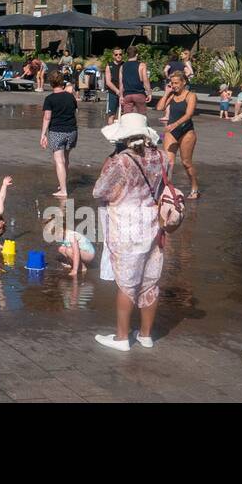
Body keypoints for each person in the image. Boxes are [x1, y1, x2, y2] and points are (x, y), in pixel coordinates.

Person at [92, 113, 170, 351]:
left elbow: (99, 191)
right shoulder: (163, 157)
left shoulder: (121, 162)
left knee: (127, 284)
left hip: (126, 227)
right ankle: (146, 335)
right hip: (153, 224)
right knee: (150, 281)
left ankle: (122, 338)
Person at [156, 71, 199, 199]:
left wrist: (175, 124)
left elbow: (189, 114)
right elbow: (159, 108)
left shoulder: (190, 95)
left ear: (184, 82)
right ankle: (167, 189)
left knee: (186, 162)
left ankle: (194, 187)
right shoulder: (171, 95)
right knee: (169, 162)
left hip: (187, 132)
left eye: (176, 83)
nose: (174, 85)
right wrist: (167, 93)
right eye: (172, 83)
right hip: (172, 133)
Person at [40, 72, 79, 198]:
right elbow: (75, 111)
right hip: (72, 131)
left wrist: (43, 134)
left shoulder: (49, 99)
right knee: (66, 159)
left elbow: (47, 117)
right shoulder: (70, 97)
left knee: (59, 161)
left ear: (50, 83)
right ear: (62, 82)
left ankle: (63, 190)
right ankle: (63, 184)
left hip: (57, 131)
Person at [46, 205, 96, 275]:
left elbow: (76, 253)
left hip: (88, 253)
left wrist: (74, 270)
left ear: (61, 230)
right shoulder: (63, 235)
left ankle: (82, 267)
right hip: (81, 251)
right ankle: (74, 264)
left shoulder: (71, 236)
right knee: (61, 249)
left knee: (69, 250)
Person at [118, 46, 150, 114]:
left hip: (127, 95)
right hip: (139, 94)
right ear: (137, 54)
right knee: (142, 117)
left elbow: (121, 83)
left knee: (127, 117)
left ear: (127, 55)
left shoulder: (122, 66)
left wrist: (121, 96)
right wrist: (149, 93)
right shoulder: (142, 65)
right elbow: (145, 81)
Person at [104, 48, 124, 120]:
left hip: (124, 93)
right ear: (113, 56)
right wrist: (117, 91)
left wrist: (121, 92)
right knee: (111, 115)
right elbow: (108, 82)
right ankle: (110, 130)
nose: (118, 56)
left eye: (120, 54)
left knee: (124, 115)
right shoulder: (109, 66)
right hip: (112, 93)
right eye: (116, 54)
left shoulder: (125, 65)